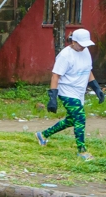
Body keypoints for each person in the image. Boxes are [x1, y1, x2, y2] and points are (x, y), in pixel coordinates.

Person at [36, 28, 103, 160]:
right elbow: (55, 76)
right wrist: (53, 98)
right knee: (80, 118)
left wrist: (97, 89)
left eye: (85, 45)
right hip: (66, 91)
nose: (83, 47)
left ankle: (43, 135)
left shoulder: (85, 51)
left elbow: (87, 71)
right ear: (73, 41)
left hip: (79, 92)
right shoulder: (65, 55)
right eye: (81, 44)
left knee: (71, 120)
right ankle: (82, 151)